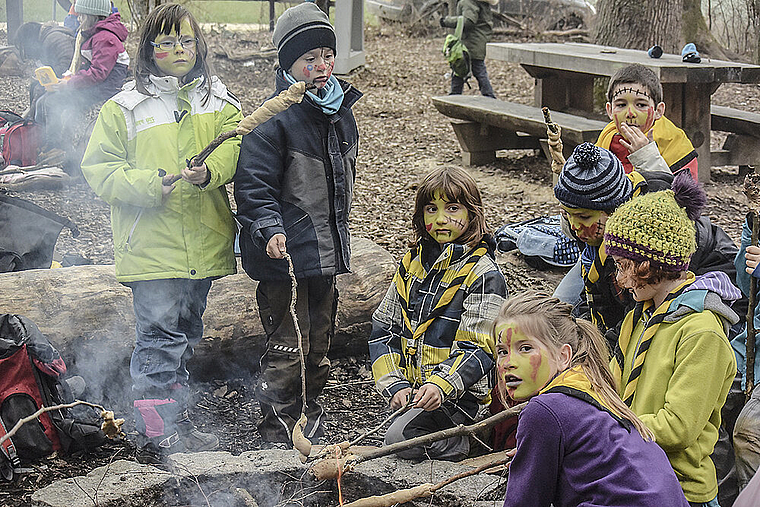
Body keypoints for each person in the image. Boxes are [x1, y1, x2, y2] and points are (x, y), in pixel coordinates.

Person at [80, 3, 242, 463]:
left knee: (187, 334)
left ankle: (173, 420)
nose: (178, 49)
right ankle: (156, 433)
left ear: (199, 45)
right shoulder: (126, 106)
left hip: (204, 241)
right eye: (166, 41)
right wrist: (150, 185)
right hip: (150, 246)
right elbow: (100, 169)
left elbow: (238, 144)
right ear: (149, 49)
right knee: (158, 338)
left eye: (186, 40)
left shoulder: (220, 101)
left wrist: (211, 170)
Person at [233, 2, 362, 447]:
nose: (322, 67)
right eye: (309, 59)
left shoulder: (341, 110)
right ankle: (276, 428)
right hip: (283, 257)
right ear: (289, 65)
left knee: (319, 344)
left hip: (324, 254)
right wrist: (269, 229)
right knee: (288, 348)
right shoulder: (271, 120)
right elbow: (253, 189)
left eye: (327, 55)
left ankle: (309, 418)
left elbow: (341, 181)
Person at [604, 173, 739, 506]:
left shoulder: (701, 333)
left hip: (679, 490)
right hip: (632, 472)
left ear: (651, 266)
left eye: (623, 266)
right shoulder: (642, 315)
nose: (619, 279)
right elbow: (612, 380)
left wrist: (602, 427)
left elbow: (677, 428)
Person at [494, 292, 688, 506]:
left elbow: (524, 502)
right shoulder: (596, 392)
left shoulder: (545, 410)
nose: (508, 363)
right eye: (501, 352)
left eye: (525, 348)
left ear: (563, 357)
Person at [368, 166, 507, 461]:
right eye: (431, 209)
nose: (441, 219)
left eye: (452, 208)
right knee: (396, 435)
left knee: (397, 440)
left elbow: (480, 347)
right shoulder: (412, 264)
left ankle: (472, 440)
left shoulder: (483, 273)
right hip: (418, 390)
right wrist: (396, 384)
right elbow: (384, 328)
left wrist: (440, 385)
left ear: (472, 213)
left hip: (461, 396)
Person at [553, 143, 741, 343]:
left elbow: (637, 314)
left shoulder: (651, 242)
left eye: (582, 216)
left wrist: (597, 352)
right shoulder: (600, 235)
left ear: (613, 209)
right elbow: (599, 298)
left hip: (728, 307)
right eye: (567, 215)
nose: (573, 226)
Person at [34, 0, 129, 161]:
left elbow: (98, 73)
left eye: (82, 16)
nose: (78, 19)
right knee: (43, 101)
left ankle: (56, 147)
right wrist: (65, 80)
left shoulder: (105, 38)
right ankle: (44, 142)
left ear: (93, 16)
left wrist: (69, 84)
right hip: (96, 84)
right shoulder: (96, 34)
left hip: (105, 88)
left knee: (52, 102)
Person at [596, 64, 699, 180]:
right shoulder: (606, 139)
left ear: (658, 111)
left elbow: (684, 195)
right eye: (621, 105)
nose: (630, 113)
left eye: (641, 105)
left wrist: (646, 156)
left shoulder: (675, 146)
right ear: (610, 110)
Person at [731, 212, 760, 492]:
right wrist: (751, 229)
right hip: (749, 349)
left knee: (749, 432)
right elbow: (745, 283)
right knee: (716, 397)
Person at [440, 0, 497, 98]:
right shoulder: (480, 3)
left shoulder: (467, 2)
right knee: (462, 69)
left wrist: (447, 21)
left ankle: (489, 97)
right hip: (477, 42)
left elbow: (468, 21)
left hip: (471, 43)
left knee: (467, 68)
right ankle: (454, 96)